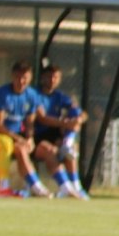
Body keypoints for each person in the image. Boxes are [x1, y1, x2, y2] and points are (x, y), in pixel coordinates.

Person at [0, 60, 50, 197]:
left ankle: (69, 186)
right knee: (20, 148)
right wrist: (19, 139)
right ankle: (36, 186)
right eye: (18, 77)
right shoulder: (2, 94)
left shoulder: (32, 95)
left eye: (25, 78)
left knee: (47, 148)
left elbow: (30, 122)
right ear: (12, 76)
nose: (21, 81)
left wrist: (29, 139)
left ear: (30, 78)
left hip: (18, 138)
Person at [32, 64, 90, 199]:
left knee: (71, 147)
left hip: (54, 134)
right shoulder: (34, 94)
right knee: (50, 150)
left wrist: (79, 119)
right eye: (49, 76)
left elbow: (82, 114)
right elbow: (42, 119)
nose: (52, 80)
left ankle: (77, 186)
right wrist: (65, 123)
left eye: (56, 77)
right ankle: (65, 187)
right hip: (37, 135)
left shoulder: (60, 96)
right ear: (42, 77)